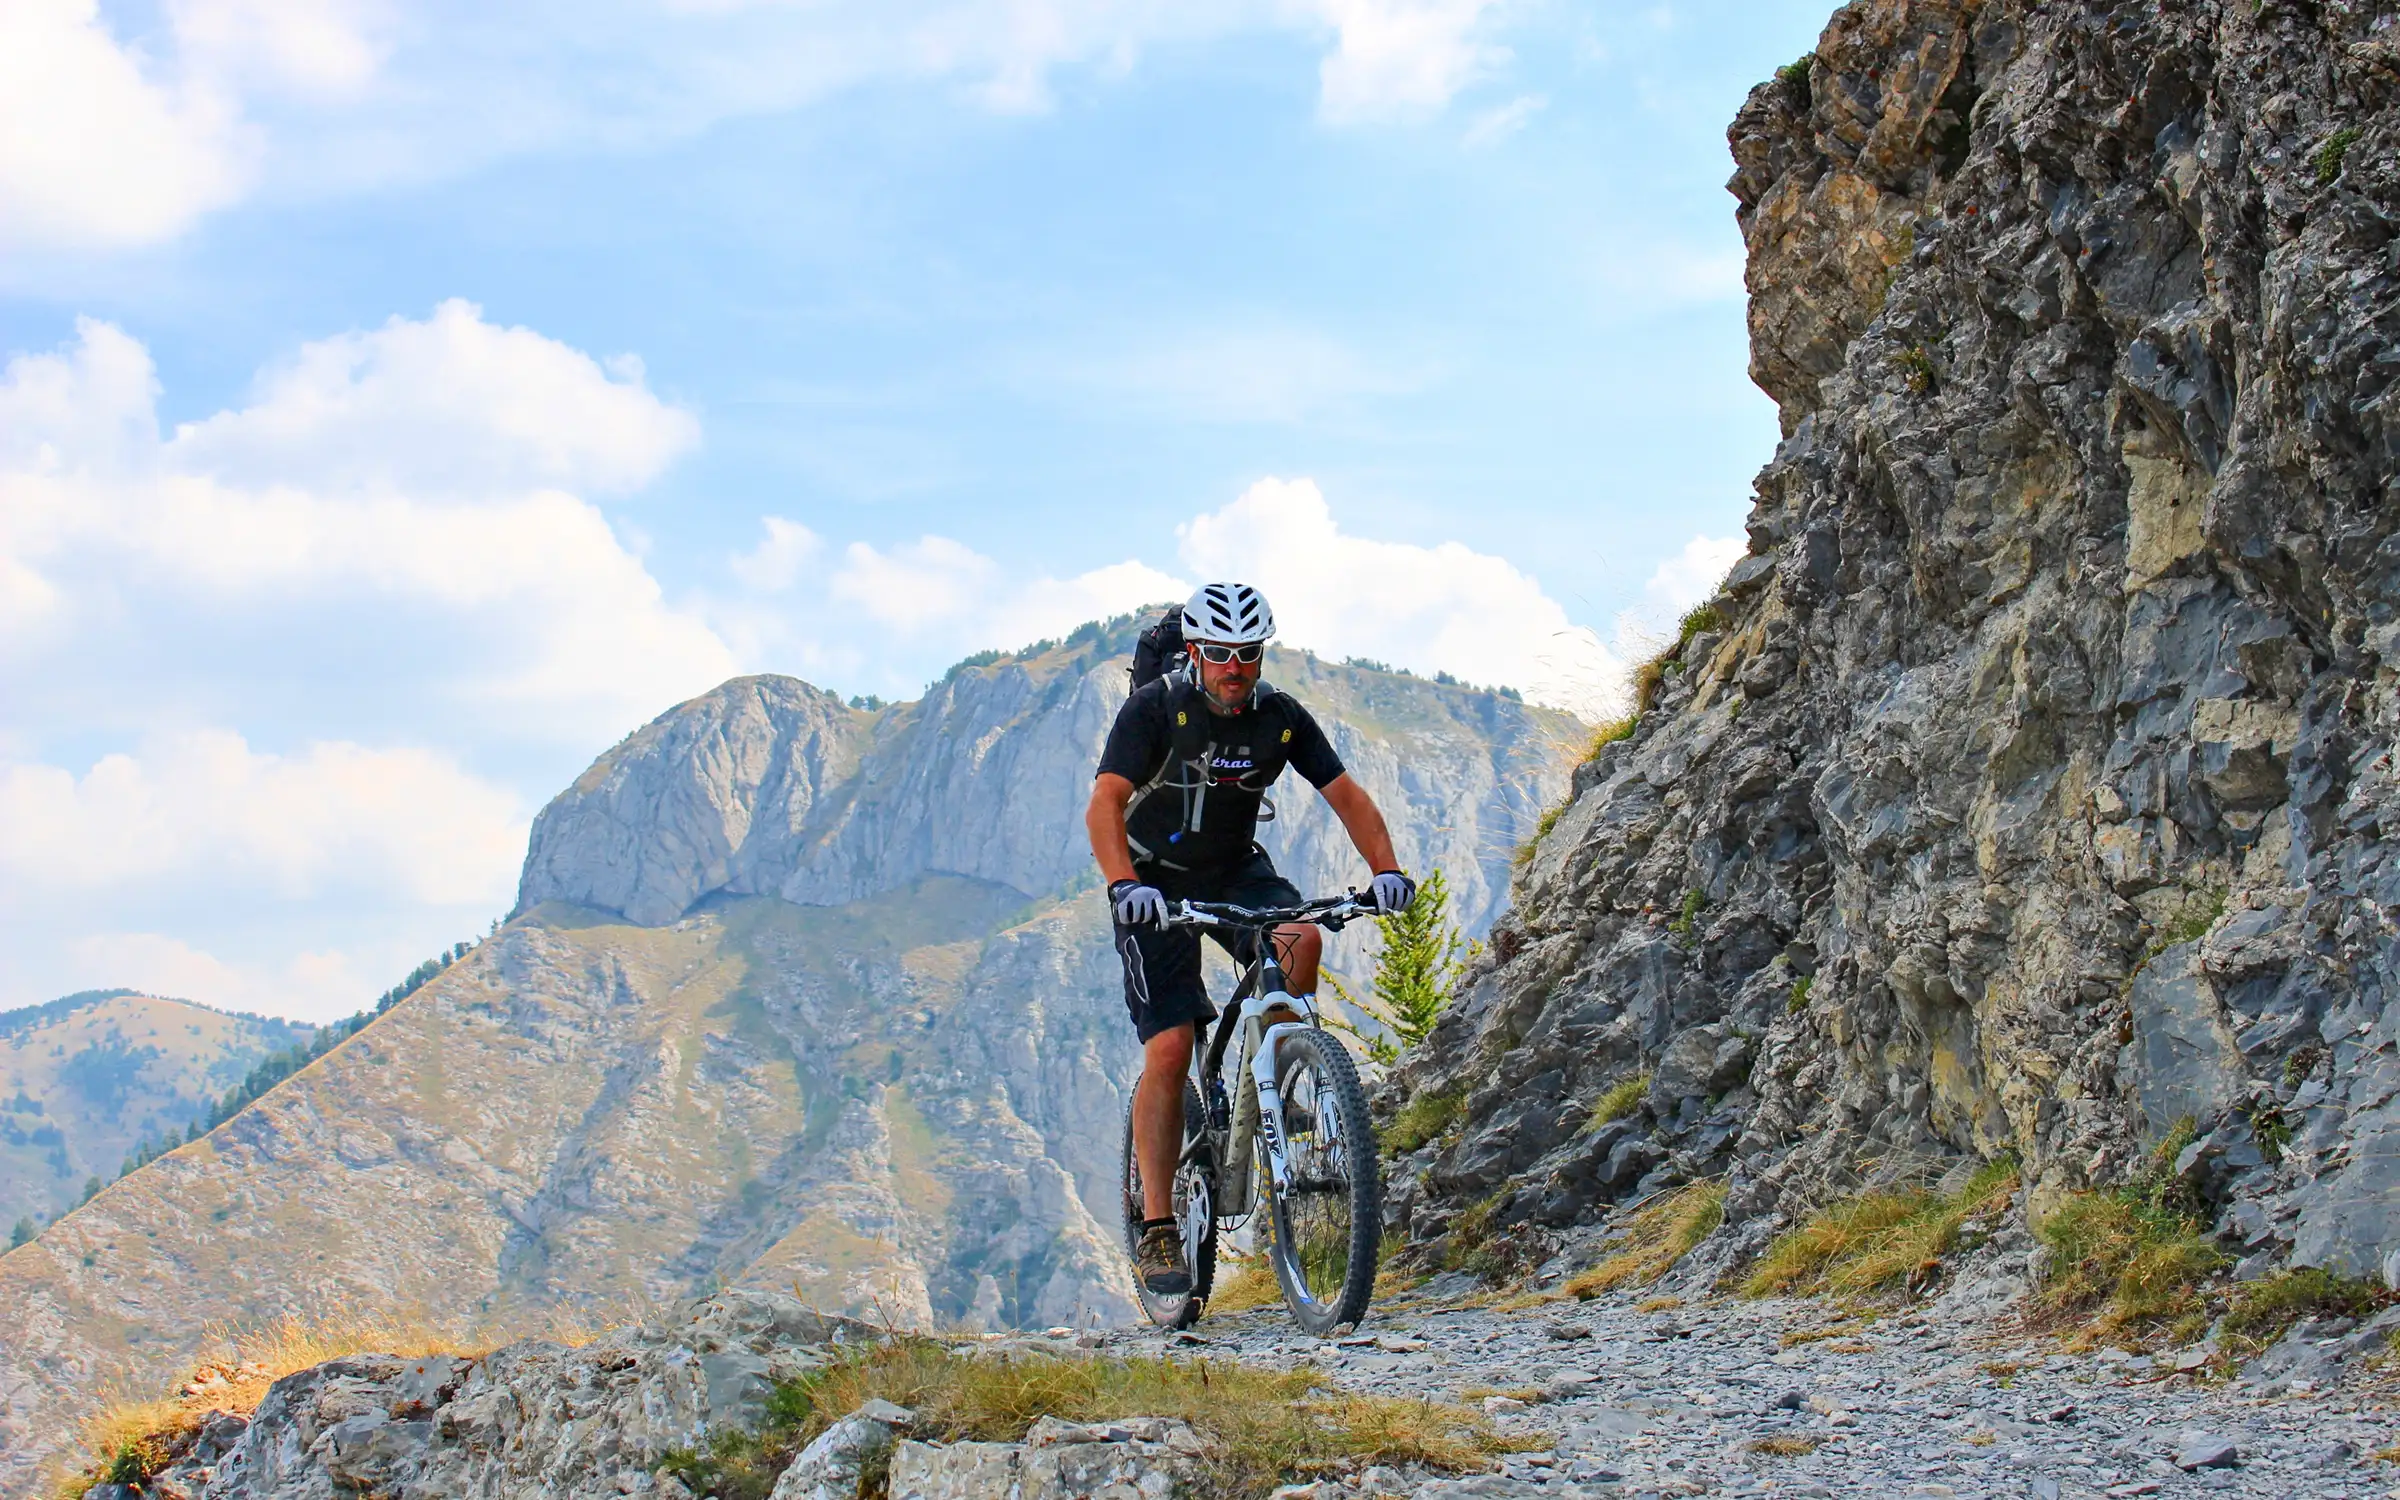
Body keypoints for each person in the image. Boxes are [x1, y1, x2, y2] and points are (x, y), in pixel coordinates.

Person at [1086, 581, 1416, 1296]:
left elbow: (1347, 797)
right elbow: (1106, 800)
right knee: (1170, 1046)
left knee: (1301, 938)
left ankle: (1280, 1066)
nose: (1236, 668)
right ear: (1197, 653)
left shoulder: (1280, 718)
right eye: (1222, 654)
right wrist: (1123, 885)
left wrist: (1386, 870)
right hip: (1152, 882)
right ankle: (1158, 1226)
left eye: (1249, 653)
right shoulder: (1154, 710)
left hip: (1236, 871)